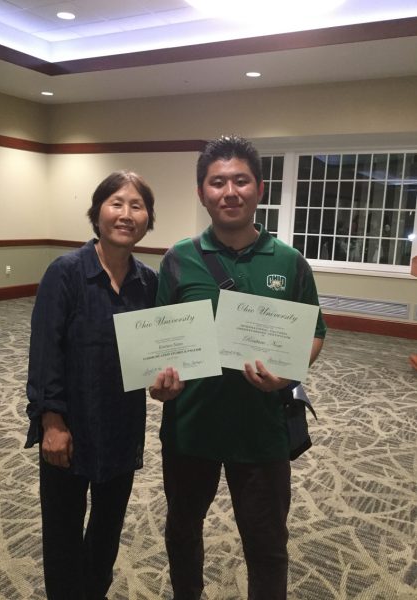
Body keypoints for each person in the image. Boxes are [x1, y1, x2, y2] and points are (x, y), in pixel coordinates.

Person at [150, 135, 327, 600]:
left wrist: (288, 373)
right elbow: (159, 341)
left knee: (267, 545)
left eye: (241, 181)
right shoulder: (177, 260)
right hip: (191, 429)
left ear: (259, 189)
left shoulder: (290, 263)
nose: (230, 191)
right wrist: (161, 384)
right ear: (202, 193)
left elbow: (315, 332)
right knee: (183, 532)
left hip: (261, 430)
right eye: (218, 182)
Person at [25, 171, 159, 600]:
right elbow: (45, 353)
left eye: (136, 206)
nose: (126, 214)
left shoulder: (148, 282)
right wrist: (51, 422)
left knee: (107, 526)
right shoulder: (65, 273)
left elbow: (155, 352)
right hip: (70, 424)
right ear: (97, 213)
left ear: (148, 219)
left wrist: (166, 378)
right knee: (63, 532)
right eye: (116, 203)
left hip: (121, 424)